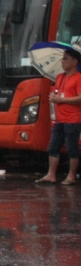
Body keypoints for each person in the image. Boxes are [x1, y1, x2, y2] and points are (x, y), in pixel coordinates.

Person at [38, 46, 81, 185]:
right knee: (53, 147)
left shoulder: (78, 78)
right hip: (59, 119)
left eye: (65, 59)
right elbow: (59, 92)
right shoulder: (59, 77)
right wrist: (54, 97)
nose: (62, 62)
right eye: (62, 58)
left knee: (71, 148)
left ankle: (71, 176)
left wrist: (62, 100)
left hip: (73, 119)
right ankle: (51, 174)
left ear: (75, 61)